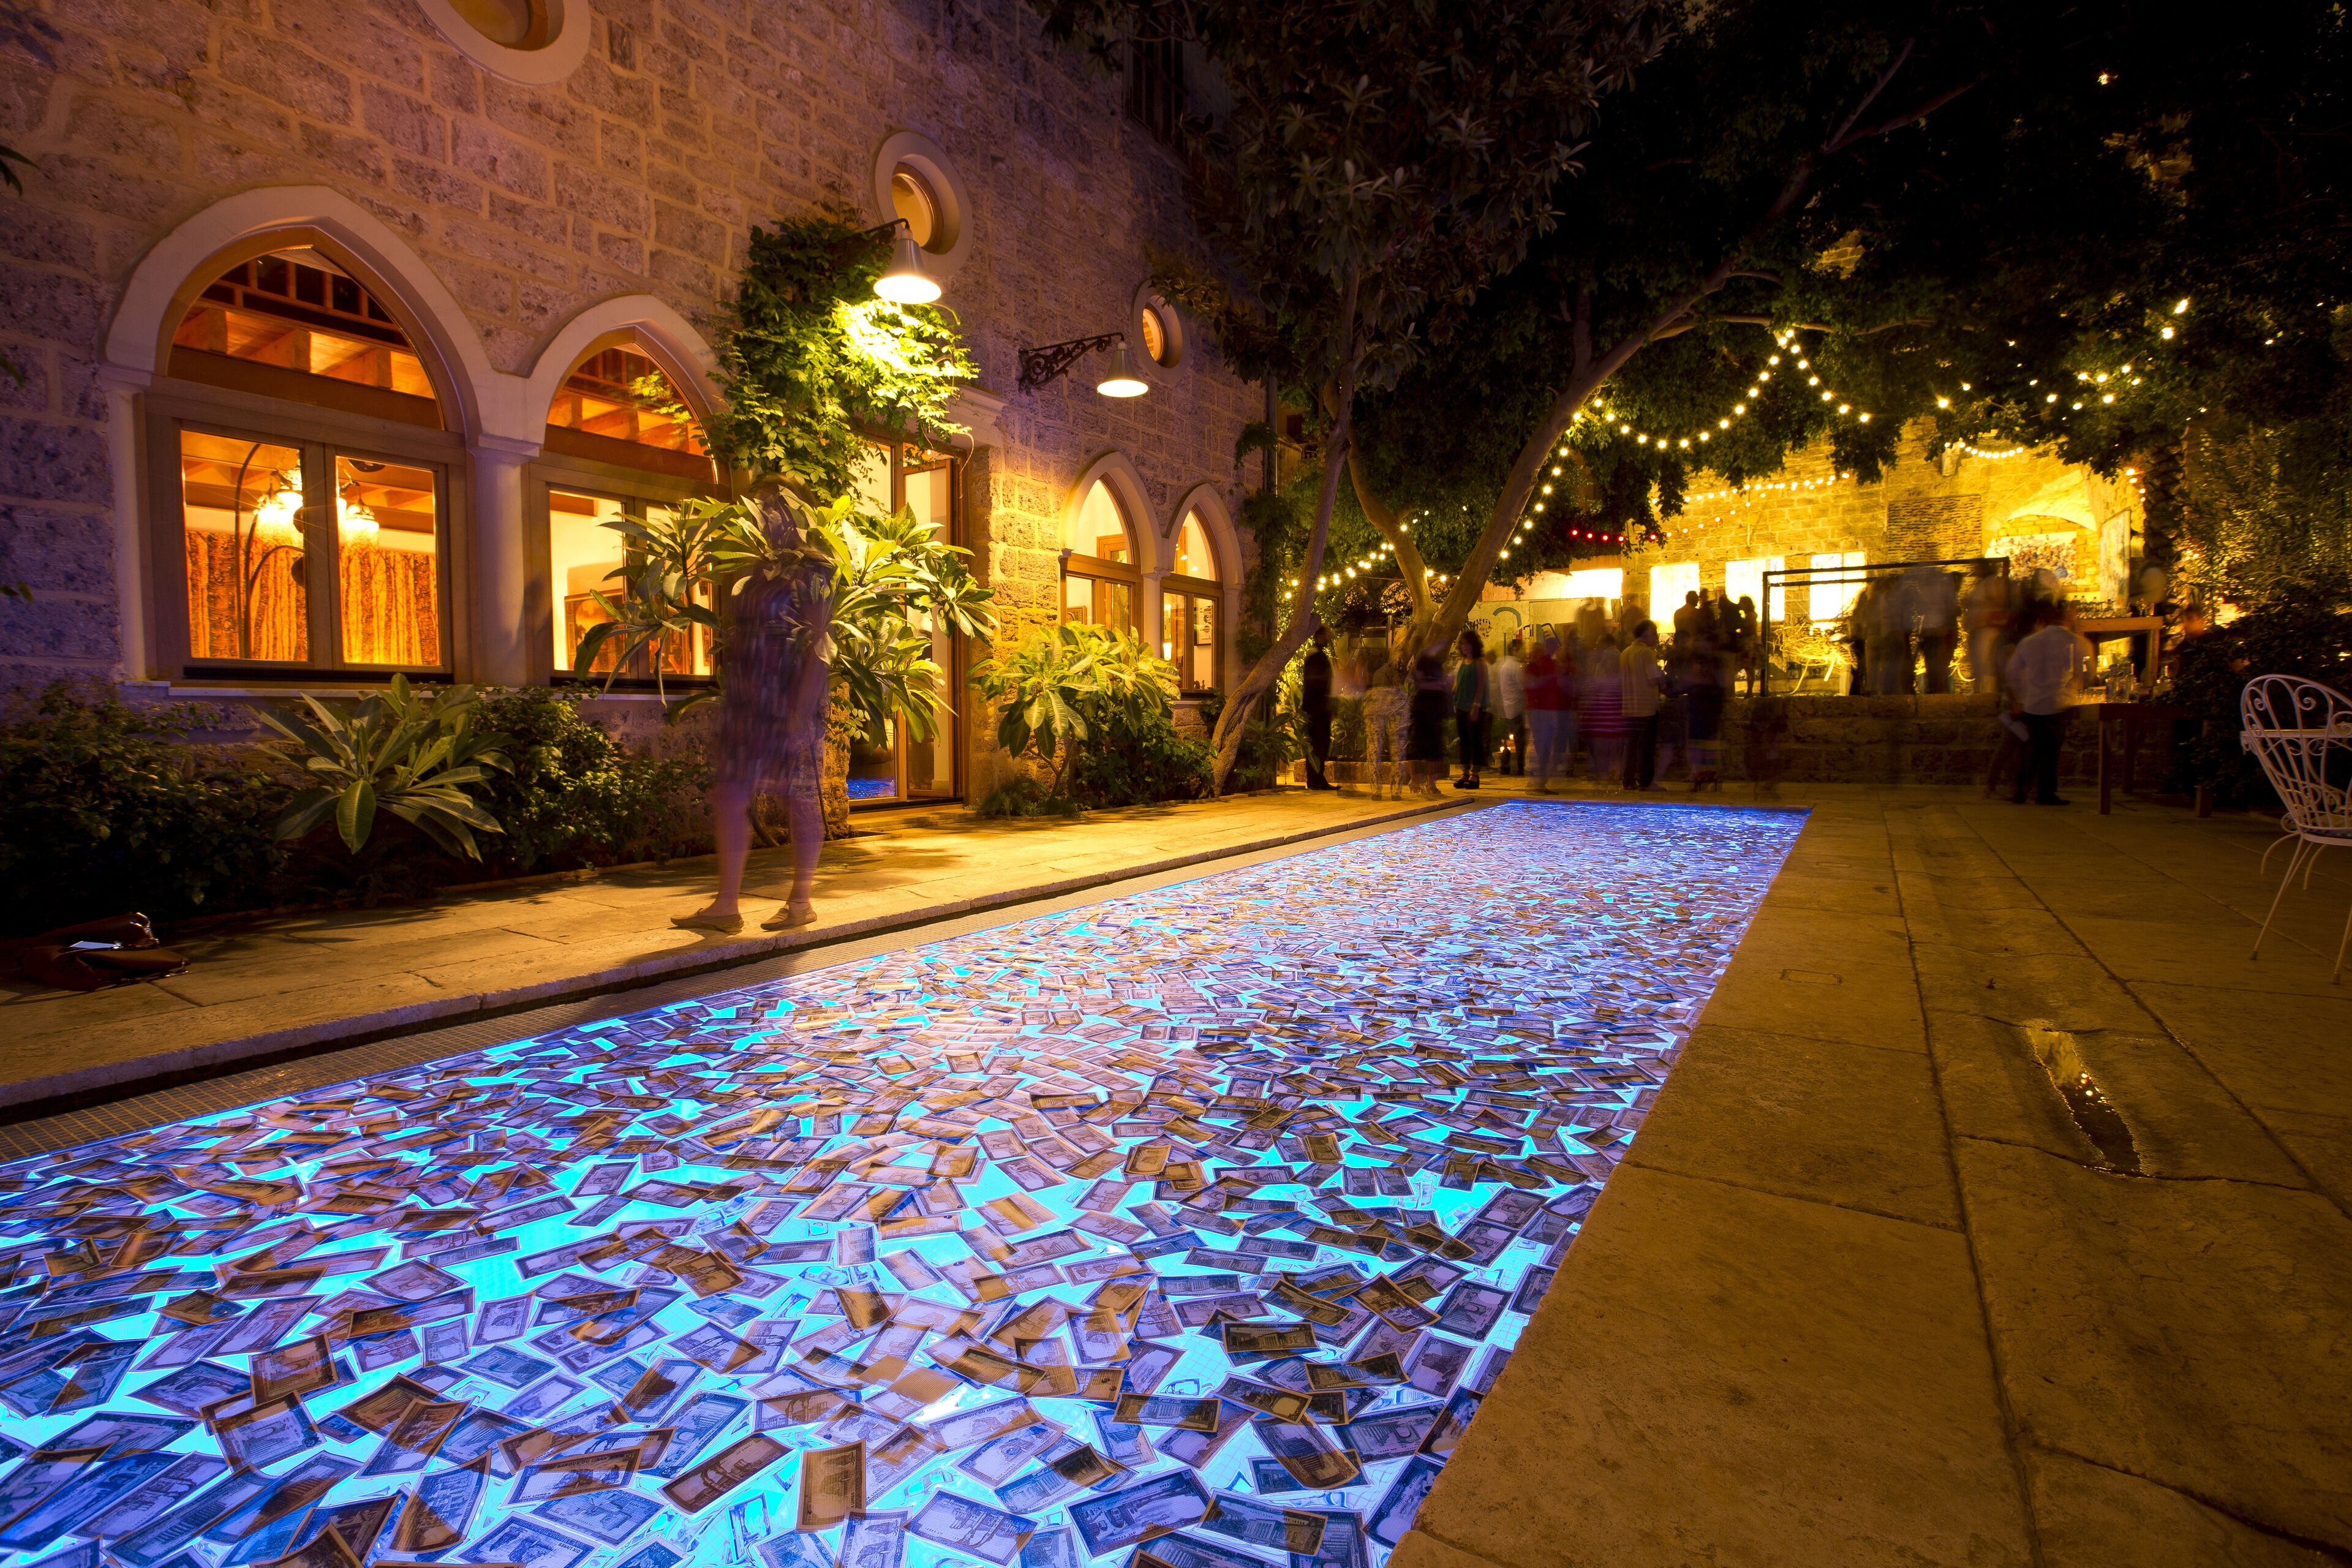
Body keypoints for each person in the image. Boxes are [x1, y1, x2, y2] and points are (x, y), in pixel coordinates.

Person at [675, 493, 827, 935]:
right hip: (748, 701)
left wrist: (801, 708)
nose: (768, 519)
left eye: (778, 510)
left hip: (787, 698)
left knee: (797, 798)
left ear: (796, 516)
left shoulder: (815, 571)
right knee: (729, 795)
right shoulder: (757, 572)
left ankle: (800, 901)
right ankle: (726, 905)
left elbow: (820, 642)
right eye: (763, 511)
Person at [2005, 599, 2090, 805]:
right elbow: (2086, 674)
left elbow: (2012, 672)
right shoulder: (2077, 642)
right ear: (2070, 616)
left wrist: (2021, 695)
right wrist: (2072, 688)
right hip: (2057, 703)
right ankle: (2045, 793)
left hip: (2033, 703)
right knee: (2051, 752)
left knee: (2031, 749)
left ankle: (2022, 791)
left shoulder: (2029, 641)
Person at [1362, 641, 1412, 799]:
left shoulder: (1374, 671)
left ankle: (1376, 790)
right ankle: (1396, 791)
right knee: (1397, 750)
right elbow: (1400, 685)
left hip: (1375, 706)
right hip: (1395, 705)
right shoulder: (1396, 669)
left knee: (1374, 750)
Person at [1620, 620, 1666, 790]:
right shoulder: (1647, 653)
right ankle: (1646, 781)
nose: (1656, 636)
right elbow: (1653, 679)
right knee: (1645, 748)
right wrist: (1662, 675)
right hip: (1646, 708)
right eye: (1654, 633)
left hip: (1629, 708)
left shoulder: (1625, 653)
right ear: (1645, 634)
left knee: (1630, 746)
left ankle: (1628, 780)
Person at [1524, 634, 1569, 792]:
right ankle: (1538, 780)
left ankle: (1541, 779)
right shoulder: (1532, 668)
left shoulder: (1548, 664)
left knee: (1545, 744)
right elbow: (1532, 684)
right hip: (1538, 710)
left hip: (1547, 710)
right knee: (1541, 744)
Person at [1407, 649, 1451, 796]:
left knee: (1434, 748)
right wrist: (1439, 684)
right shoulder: (1421, 664)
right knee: (1416, 747)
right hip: (1422, 710)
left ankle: (1431, 783)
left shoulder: (1438, 667)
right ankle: (1414, 780)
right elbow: (1419, 684)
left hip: (1435, 709)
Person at [1964, 560, 2010, 695]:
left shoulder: (1993, 582)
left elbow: (2000, 602)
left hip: (1988, 629)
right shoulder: (1983, 584)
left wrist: (1975, 603)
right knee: (1980, 663)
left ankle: (1987, 694)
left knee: (1986, 663)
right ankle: (1981, 692)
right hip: (1979, 628)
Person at [1300, 624, 1336, 791]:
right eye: (1327, 635)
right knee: (1319, 743)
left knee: (1321, 743)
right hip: (1317, 709)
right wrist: (1326, 704)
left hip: (1316, 707)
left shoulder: (1316, 656)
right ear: (1320, 637)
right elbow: (1316, 684)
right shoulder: (1316, 657)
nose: (1329, 638)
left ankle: (1317, 778)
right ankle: (1316, 779)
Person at [1583, 630, 1623, 783]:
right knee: (1611, 740)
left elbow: (1604, 680)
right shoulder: (1614, 655)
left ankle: (1607, 773)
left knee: (1605, 741)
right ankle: (1611, 772)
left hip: (1607, 703)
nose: (1597, 645)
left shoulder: (1609, 655)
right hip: (1611, 702)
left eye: (1600, 642)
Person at [1452, 628, 1489, 790]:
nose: (1465, 647)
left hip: (1474, 706)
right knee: (1464, 740)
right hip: (1461, 705)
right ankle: (1465, 771)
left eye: (1468, 644)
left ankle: (1475, 773)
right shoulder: (1461, 663)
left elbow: (1481, 685)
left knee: (1475, 740)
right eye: (1463, 644)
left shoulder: (1479, 663)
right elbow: (1458, 684)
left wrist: (1476, 706)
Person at [1494, 638, 1527, 775]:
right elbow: (1522, 685)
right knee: (1519, 739)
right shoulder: (1514, 666)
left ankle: (1506, 766)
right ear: (1515, 650)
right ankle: (1520, 767)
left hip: (1508, 706)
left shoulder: (1503, 664)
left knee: (1509, 738)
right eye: (1521, 649)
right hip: (1516, 706)